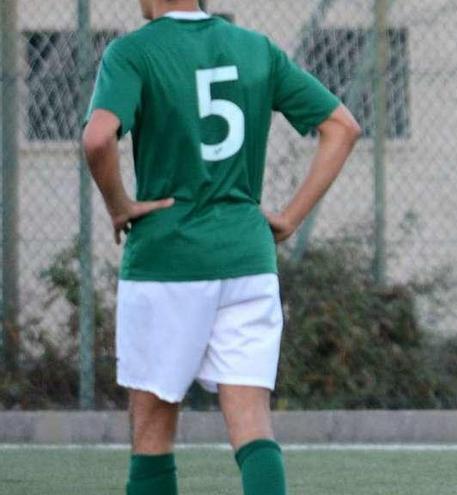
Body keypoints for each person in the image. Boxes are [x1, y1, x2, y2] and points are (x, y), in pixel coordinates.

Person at [81, 1, 360, 493]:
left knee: (152, 430)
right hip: (248, 258)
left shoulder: (132, 53)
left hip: (167, 258)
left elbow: (98, 138)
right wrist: (291, 216)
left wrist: (119, 205)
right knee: (252, 426)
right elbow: (343, 127)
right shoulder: (256, 48)